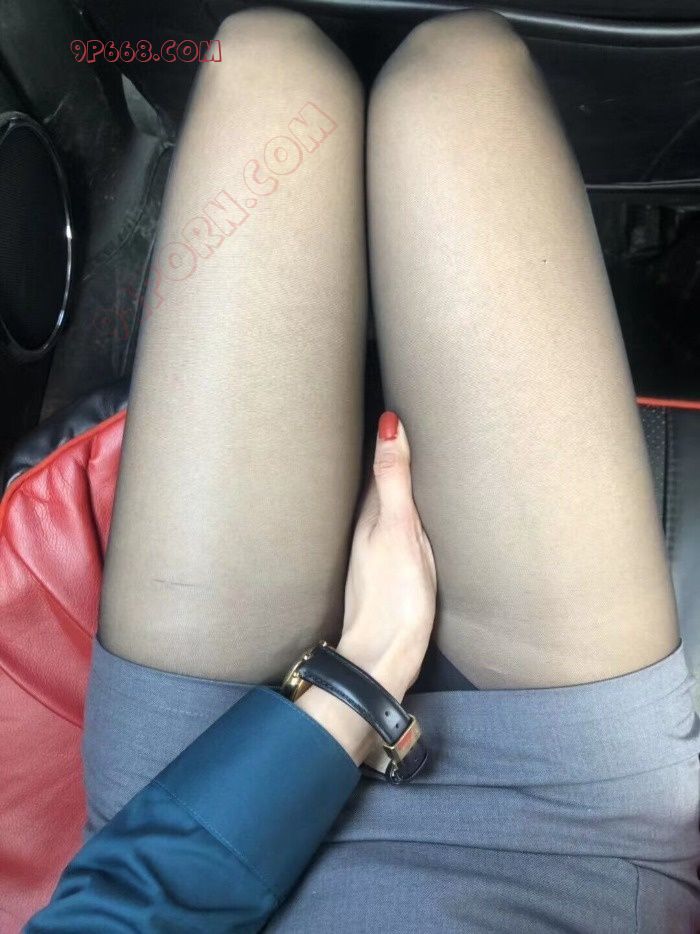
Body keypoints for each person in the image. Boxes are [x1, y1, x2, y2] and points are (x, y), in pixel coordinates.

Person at [27, 8, 699, 932]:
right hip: (564, 833)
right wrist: (370, 661)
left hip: (203, 800)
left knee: (264, 65)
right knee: (462, 76)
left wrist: (365, 666)